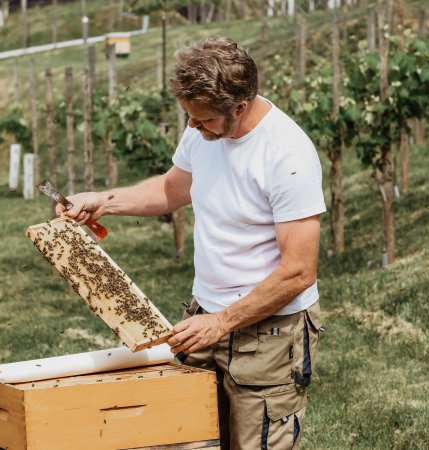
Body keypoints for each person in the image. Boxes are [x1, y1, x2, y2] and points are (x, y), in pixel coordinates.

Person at [57, 36, 325, 450]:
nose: (193, 128)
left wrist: (220, 322)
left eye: (203, 121)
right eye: (190, 117)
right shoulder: (201, 129)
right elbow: (172, 189)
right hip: (204, 318)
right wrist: (103, 201)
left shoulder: (287, 155)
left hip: (270, 335)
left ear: (239, 106)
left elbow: (298, 272)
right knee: (186, 438)